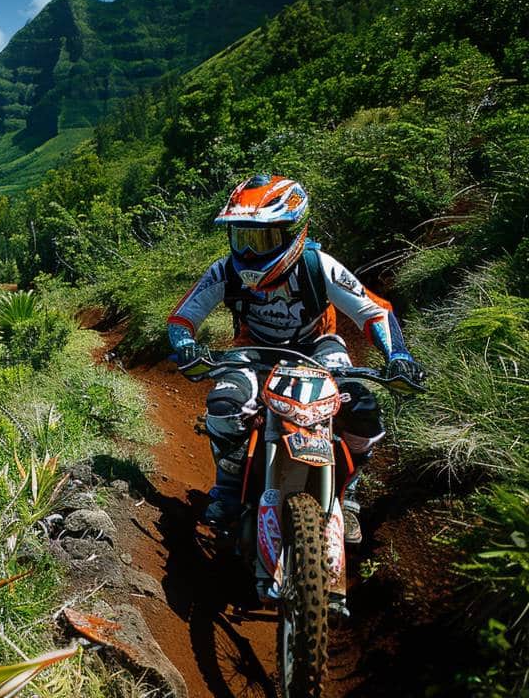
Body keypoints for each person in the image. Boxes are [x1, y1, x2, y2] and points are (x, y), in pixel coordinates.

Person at [167, 174, 424, 543]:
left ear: (294, 233)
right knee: (224, 406)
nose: (250, 252)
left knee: (363, 411)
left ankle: (347, 495)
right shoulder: (224, 270)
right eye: (242, 238)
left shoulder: (319, 265)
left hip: (320, 348)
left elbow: (374, 312)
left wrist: (398, 355)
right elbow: (182, 318)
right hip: (251, 349)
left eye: (263, 239)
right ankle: (227, 488)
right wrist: (186, 345)